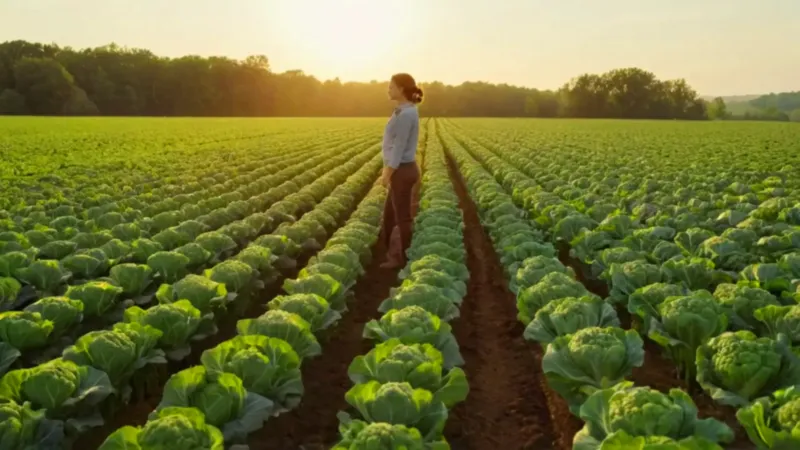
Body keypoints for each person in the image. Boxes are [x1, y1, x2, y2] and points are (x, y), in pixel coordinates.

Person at [380, 73, 423, 269]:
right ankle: (389, 254)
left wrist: (388, 172)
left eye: (391, 86)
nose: (388, 89)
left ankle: (404, 259)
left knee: (402, 218)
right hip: (402, 169)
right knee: (390, 215)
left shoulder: (407, 114)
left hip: (402, 171)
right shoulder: (403, 111)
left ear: (401, 89)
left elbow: (399, 146)